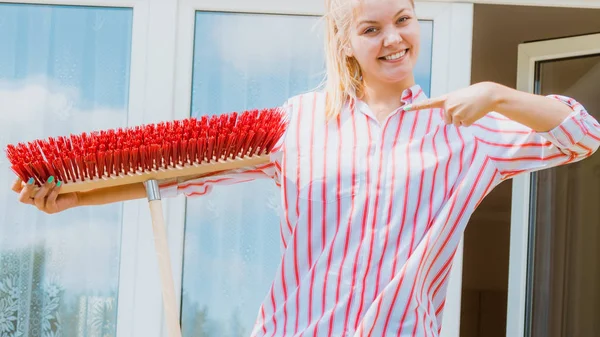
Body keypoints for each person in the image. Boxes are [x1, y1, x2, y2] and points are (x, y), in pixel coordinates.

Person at [11, 0, 600, 335]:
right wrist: (75, 197)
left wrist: (498, 93)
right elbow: (180, 171)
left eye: (402, 19)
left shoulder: (468, 130)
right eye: (371, 29)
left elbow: (581, 135)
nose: (392, 38)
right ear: (345, 42)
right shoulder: (297, 124)